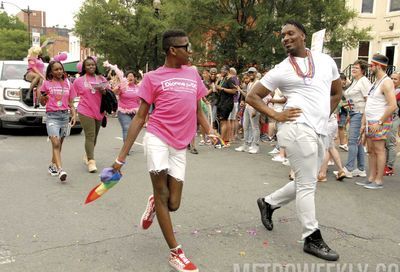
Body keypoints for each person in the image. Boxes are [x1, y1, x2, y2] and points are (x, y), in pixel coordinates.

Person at [111, 30, 212, 272]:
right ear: (172, 50)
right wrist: (120, 157)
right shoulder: (153, 78)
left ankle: (155, 203)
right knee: (162, 192)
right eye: (186, 47)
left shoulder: (193, 73)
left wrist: (209, 129)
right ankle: (176, 253)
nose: (190, 51)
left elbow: (197, 107)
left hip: (180, 143)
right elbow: (140, 117)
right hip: (157, 138)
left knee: (173, 202)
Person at [246, 20, 341, 261]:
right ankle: (312, 237)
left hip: (319, 130)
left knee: (306, 181)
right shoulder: (281, 69)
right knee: (308, 184)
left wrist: (323, 116)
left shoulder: (325, 61)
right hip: (296, 128)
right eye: (282, 35)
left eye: (290, 33)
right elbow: (252, 96)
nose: (285, 38)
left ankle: (268, 202)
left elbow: (336, 92)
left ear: (303, 36)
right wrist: (276, 115)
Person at [357, 54, 397, 189]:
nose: (369, 68)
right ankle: (371, 178)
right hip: (370, 121)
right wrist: (364, 123)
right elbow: (369, 104)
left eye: (371, 66)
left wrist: (379, 122)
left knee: (379, 150)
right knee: (371, 151)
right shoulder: (375, 82)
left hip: (379, 121)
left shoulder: (387, 82)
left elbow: (393, 105)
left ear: (378, 66)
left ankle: (378, 180)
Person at [40, 61, 77, 182]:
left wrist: (74, 114)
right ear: (51, 72)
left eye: (60, 69)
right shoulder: (46, 84)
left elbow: (71, 103)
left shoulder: (68, 84)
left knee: (59, 144)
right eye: (56, 70)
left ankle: (52, 165)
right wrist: (43, 98)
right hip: (52, 116)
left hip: (64, 116)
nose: (59, 71)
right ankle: (61, 170)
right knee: (55, 143)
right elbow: (42, 102)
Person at [72, 57, 109, 173]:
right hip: (85, 110)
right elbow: (71, 95)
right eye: (88, 65)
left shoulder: (101, 78)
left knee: (95, 136)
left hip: (99, 111)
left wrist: (104, 91)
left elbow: (109, 93)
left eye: (93, 65)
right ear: (84, 67)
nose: (91, 67)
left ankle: (88, 155)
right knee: (90, 135)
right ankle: (91, 161)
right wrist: (71, 109)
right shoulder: (79, 81)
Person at [342, 60, 371, 178]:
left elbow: (368, 100)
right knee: (358, 142)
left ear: (363, 70)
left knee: (352, 141)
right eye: (353, 67)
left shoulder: (364, 81)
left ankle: (348, 168)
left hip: (360, 113)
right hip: (353, 113)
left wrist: (364, 118)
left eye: (356, 68)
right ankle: (361, 168)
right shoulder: (355, 81)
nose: (353, 69)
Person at [113, 70, 141, 143]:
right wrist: (118, 88)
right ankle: (126, 149)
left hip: (135, 112)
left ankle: (129, 144)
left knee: (133, 130)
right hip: (123, 111)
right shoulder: (122, 87)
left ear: (134, 78)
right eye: (128, 76)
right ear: (126, 78)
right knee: (126, 128)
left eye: (132, 76)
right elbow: (115, 92)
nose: (130, 77)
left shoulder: (138, 87)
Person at [384, 72, 400, 175]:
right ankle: (385, 164)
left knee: (390, 143)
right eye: (392, 78)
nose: (393, 81)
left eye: (395, 79)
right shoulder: (388, 90)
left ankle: (389, 167)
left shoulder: (398, 92)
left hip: (394, 118)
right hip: (386, 118)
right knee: (384, 143)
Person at [216, 65, 236, 146]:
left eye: (222, 70)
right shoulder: (223, 79)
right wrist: (218, 80)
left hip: (227, 103)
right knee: (224, 121)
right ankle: (226, 140)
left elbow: (234, 91)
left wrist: (222, 89)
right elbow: (217, 88)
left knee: (223, 121)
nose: (221, 72)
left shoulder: (230, 79)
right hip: (222, 102)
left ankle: (221, 141)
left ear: (227, 71)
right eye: (220, 70)